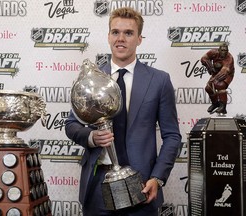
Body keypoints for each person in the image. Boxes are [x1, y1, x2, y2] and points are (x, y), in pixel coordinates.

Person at [65, 7, 181, 216]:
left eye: (128, 33)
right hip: (97, 184)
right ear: (108, 36)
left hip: (143, 184)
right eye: (115, 32)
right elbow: (71, 125)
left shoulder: (159, 80)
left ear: (139, 39)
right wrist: (91, 137)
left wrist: (158, 177)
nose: (121, 39)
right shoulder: (90, 80)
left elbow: (172, 136)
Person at [200, 42, 235, 114]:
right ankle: (215, 103)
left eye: (225, 50)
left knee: (220, 85)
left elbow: (224, 72)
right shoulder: (213, 52)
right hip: (216, 73)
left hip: (227, 74)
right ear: (218, 50)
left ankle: (223, 107)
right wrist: (209, 66)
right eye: (222, 50)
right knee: (208, 88)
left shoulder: (229, 58)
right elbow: (204, 58)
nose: (224, 52)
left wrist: (214, 79)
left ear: (227, 51)